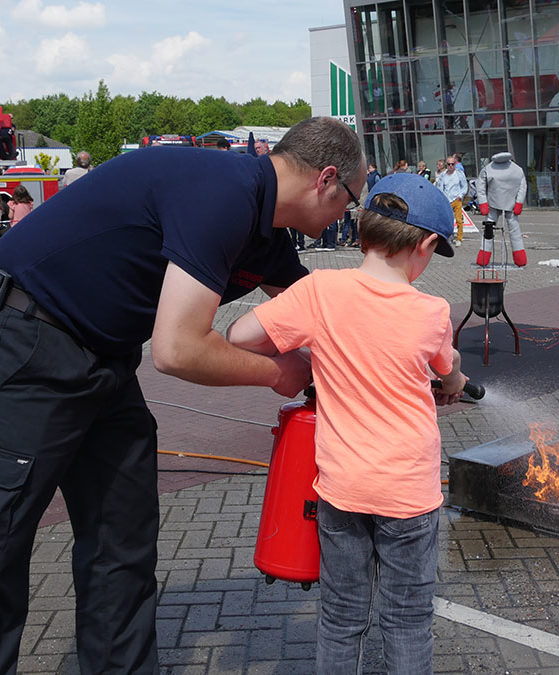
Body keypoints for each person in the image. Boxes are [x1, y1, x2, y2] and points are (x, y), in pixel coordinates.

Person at [0, 116, 366, 673]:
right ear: (327, 180)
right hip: (28, 342)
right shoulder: (225, 193)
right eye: (352, 202)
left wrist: (403, 364)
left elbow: (322, 313)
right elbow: (176, 349)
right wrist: (276, 373)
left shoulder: (266, 231)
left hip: (104, 360)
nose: (347, 218)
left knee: (122, 540)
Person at [226, 173, 467, 674]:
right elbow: (450, 371)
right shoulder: (433, 311)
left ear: (363, 233)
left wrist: (314, 356)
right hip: (408, 497)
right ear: (423, 245)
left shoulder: (320, 289)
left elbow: (239, 335)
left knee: (340, 617)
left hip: (341, 490)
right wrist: (454, 383)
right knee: (405, 620)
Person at [475, 151, 528, 267]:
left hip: (494, 204)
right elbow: (523, 187)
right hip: (507, 204)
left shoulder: (487, 169)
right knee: (514, 231)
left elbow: (480, 186)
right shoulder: (518, 170)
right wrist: (519, 202)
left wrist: (483, 203)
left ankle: (483, 257)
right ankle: (520, 259)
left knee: (488, 231)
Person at [435, 156, 468, 247]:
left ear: (455, 164)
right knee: (447, 220)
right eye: (448, 164)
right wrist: (442, 198)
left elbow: (464, 186)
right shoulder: (443, 175)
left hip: (456, 200)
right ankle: (448, 237)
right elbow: (440, 187)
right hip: (446, 200)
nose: (450, 166)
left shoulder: (459, 174)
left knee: (459, 220)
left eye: (452, 164)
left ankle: (459, 238)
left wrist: (460, 196)